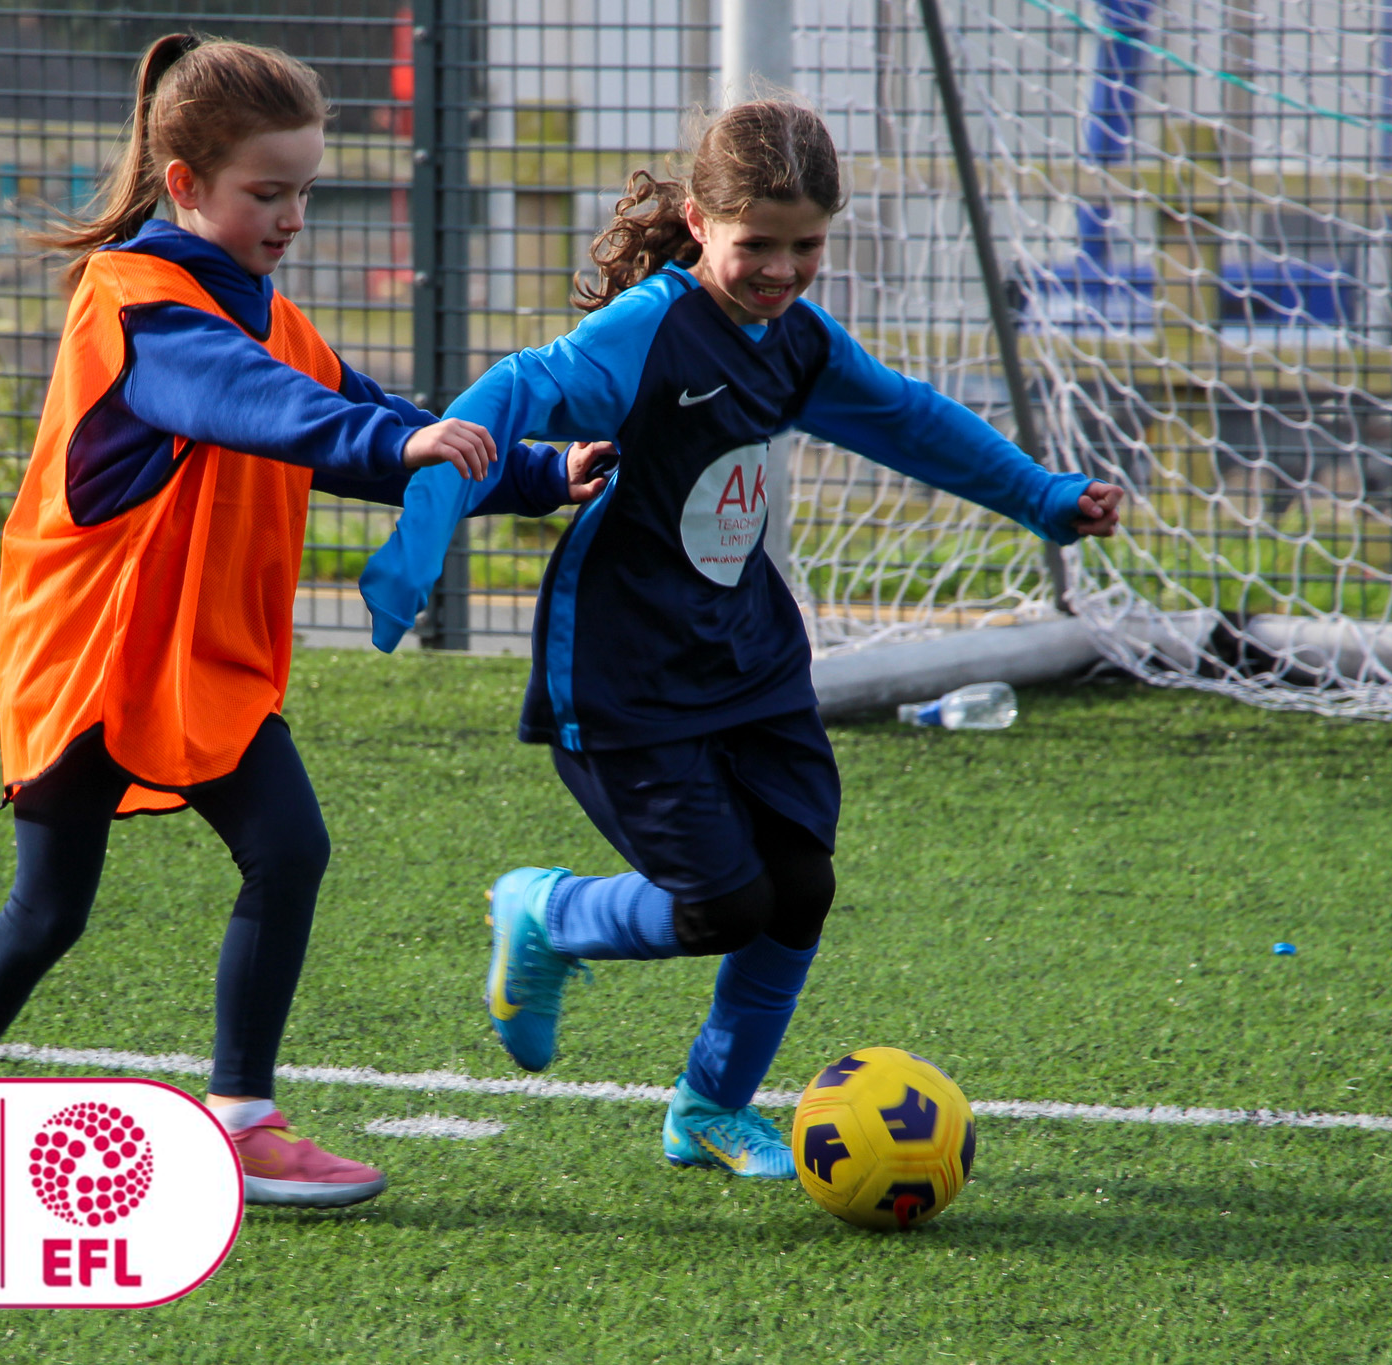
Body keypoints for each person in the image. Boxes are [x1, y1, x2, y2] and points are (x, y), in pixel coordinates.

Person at [359, 99, 1122, 1178]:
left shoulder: (794, 339)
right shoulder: (648, 331)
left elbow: (905, 418)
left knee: (798, 885)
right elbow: (514, 393)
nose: (779, 269)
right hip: (625, 663)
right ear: (696, 221)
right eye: (755, 244)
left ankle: (707, 1106)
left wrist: (1042, 496)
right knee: (720, 904)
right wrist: (419, 539)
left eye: (804, 245)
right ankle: (543, 910)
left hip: (748, 649)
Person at [0, 33, 604, 1209]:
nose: (289, 216)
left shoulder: (267, 319)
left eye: (304, 192)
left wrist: (541, 470)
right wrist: (394, 438)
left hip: (198, 660)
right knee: (46, 912)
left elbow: (362, 415)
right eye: (264, 192)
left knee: (287, 849)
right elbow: (254, 406)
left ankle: (239, 1120)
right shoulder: (140, 303)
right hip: (94, 657)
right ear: (184, 186)